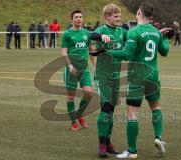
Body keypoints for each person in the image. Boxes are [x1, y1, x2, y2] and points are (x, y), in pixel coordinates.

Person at [106, 2, 171, 158]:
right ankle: (159, 137)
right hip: (153, 76)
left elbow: (127, 53)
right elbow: (165, 51)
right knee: (155, 107)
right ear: (151, 16)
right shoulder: (156, 32)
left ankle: (132, 151)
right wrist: (166, 38)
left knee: (132, 114)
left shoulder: (134, 32)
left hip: (137, 77)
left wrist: (107, 51)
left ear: (139, 13)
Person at [61, 10, 110, 131]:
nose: (78, 19)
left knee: (88, 94)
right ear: (71, 20)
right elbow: (63, 51)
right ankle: (73, 122)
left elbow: (91, 50)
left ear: (82, 19)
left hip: (84, 69)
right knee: (71, 97)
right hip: (72, 69)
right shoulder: (67, 34)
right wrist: (69, 66)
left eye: (80, 17)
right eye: (76, 17)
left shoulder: (87, 33)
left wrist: (96, 66)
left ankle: (79, 114)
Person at [93, 3, 127, 158]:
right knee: (105, 108)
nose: (118, 19)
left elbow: (135, 38)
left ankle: (108, 142)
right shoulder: (101, 30)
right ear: (107, 17)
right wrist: (100, 38)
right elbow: (91, 48)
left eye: (119, 16)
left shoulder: (122, 31)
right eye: (115, 16)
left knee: (111, 111)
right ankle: (101, 144)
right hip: (103, 77)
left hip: (115, 77)